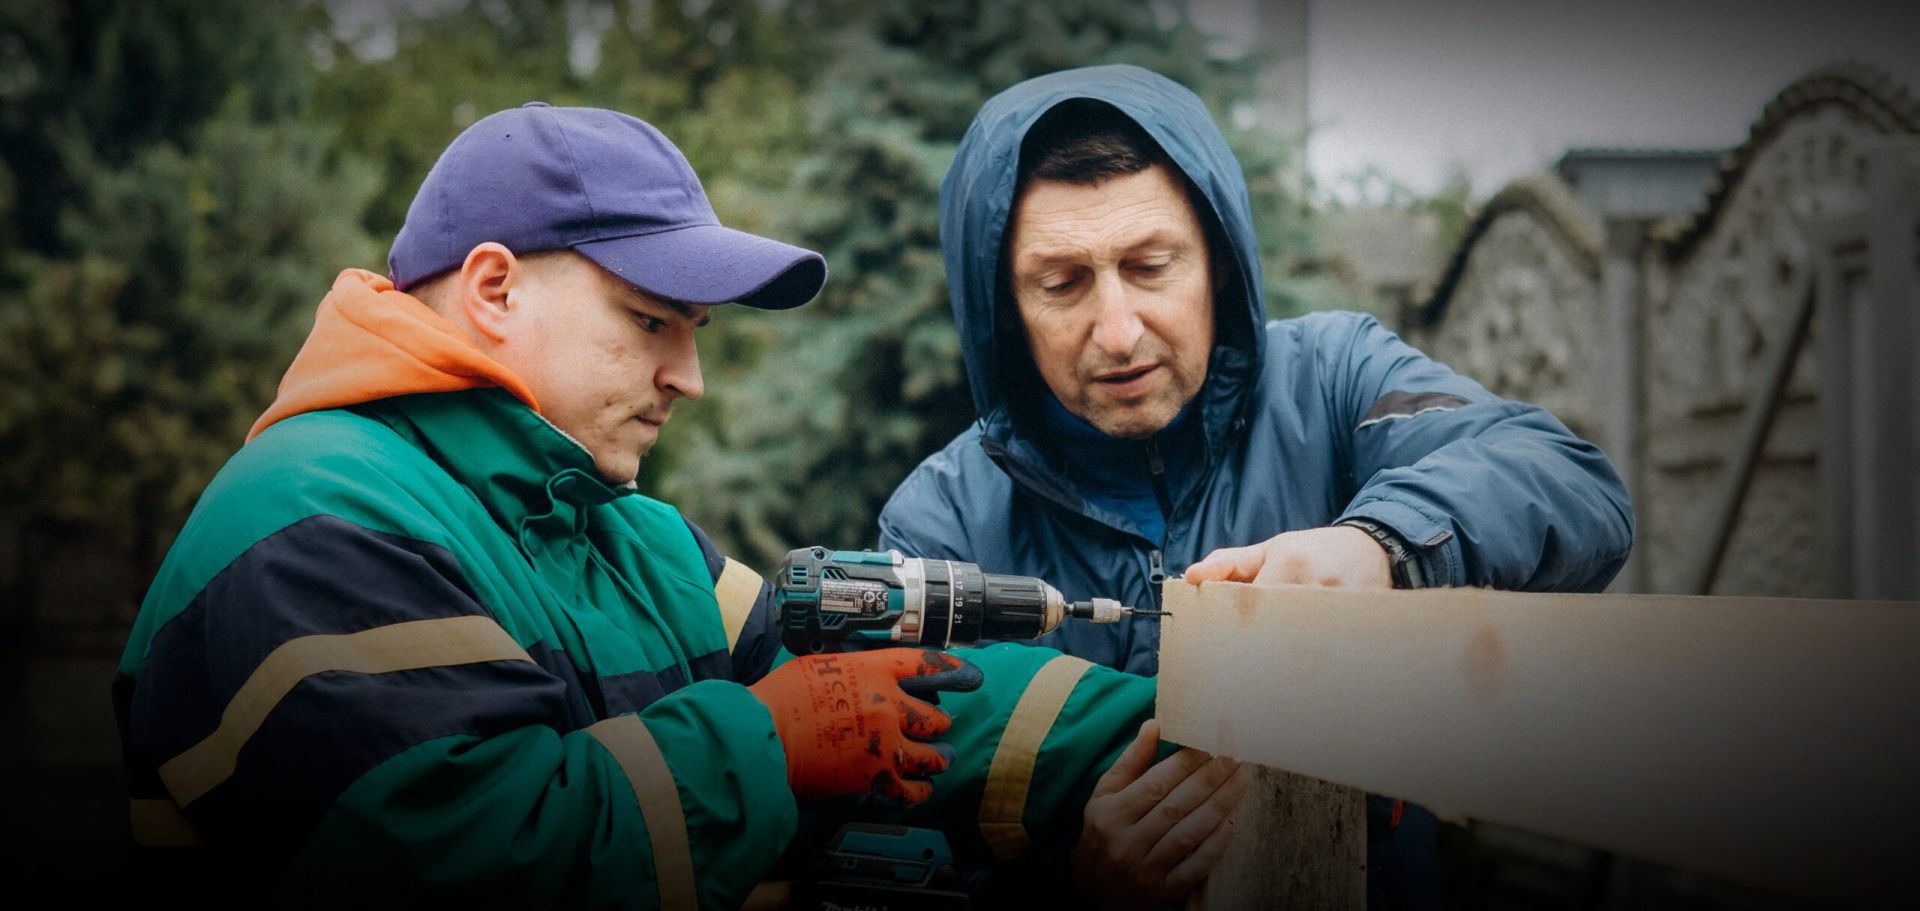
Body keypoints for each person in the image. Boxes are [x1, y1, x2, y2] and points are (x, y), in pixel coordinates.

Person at [112, 102, 1182, 908]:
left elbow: (884, 700)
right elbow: (475, 856)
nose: (689, 376)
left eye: (696, 332)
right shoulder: (309, 517)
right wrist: (763, 739)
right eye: (651, 320)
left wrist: (1175, 741)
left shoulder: (634, 537)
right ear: (493, 288)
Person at [877, 65, 1636, 907]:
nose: (1119, 330)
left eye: (1153, 265)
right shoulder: (935, 523)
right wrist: (1075, 886)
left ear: (1221, 264)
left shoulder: (1336, 377)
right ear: (1003, 309)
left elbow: (1567, 477)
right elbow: (895, 834)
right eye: (1062, 285)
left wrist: (1380, 546)